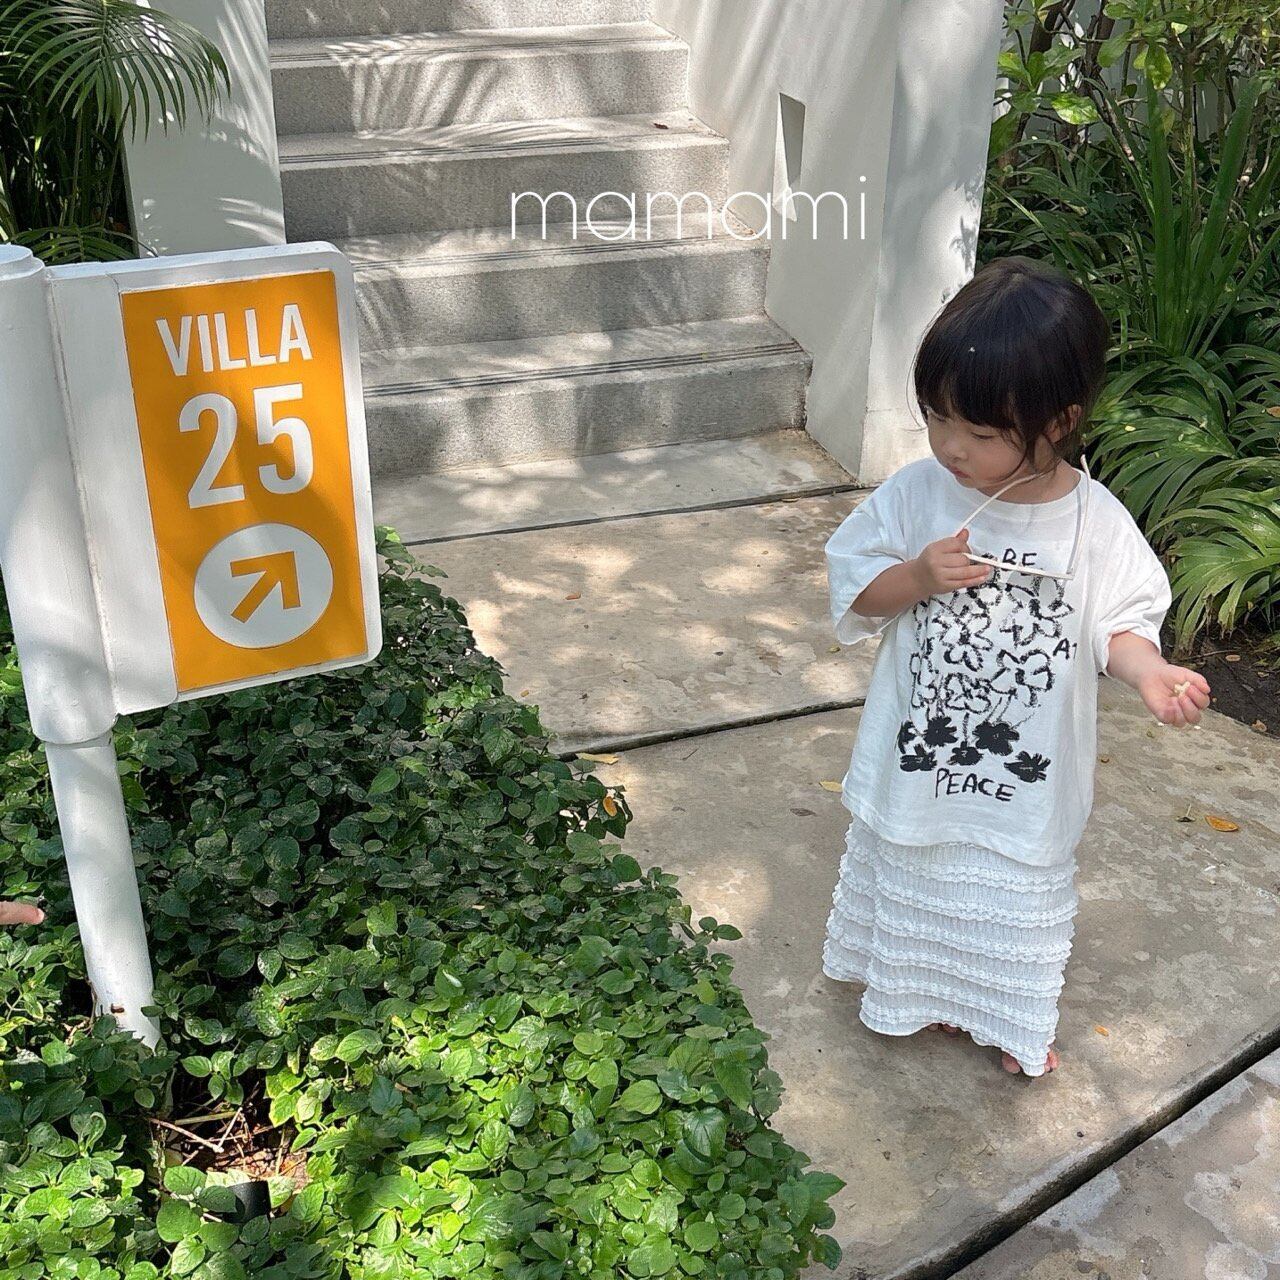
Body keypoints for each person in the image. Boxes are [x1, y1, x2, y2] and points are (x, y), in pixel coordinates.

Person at [821, 256, 1211, 1077]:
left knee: (1007, 892)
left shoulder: (1092, 522)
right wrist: (917, 576)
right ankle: (917, 990)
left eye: (982, 432)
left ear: (1059, 420)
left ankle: (1005, 1015)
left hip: (1024, 778)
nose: (951, 447)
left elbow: (1120, 624)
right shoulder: (918, 494)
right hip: (922, 762)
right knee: (923, 867)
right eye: (937, 418)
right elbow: (858, 592)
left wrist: (1148, 672)